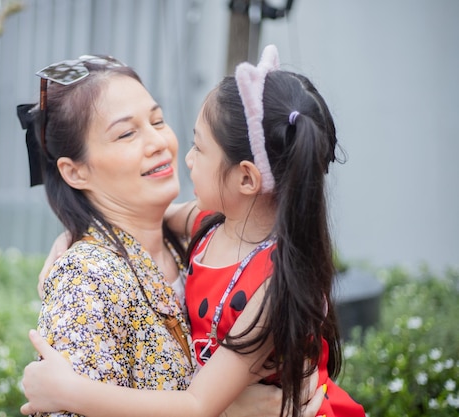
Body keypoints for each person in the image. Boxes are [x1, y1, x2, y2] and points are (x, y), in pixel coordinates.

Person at [18, 45, 366, 417]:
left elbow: (198, 404)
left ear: (246, 178)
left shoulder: (210, 243)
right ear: (75, 171)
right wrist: (76, 233)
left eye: (157, 121)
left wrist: (71, 392)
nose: (163, 145)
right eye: (126, 134)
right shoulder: (89, 276)